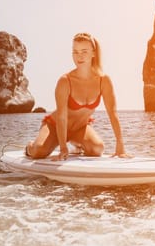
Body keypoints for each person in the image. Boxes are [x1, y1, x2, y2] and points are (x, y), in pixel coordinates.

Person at [25, 32, 130, 160]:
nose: (79, 56)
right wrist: (63, 148)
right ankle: (29, 147)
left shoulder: (104, 81)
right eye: (75, 52)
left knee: (97, 149)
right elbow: (62, 118)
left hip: (80, 128)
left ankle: (77, 144)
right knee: (39, 152)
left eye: (84, 51)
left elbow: (112, 113)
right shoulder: (65, 81)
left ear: (93, 53)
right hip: (55, 125)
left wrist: (120, 145)